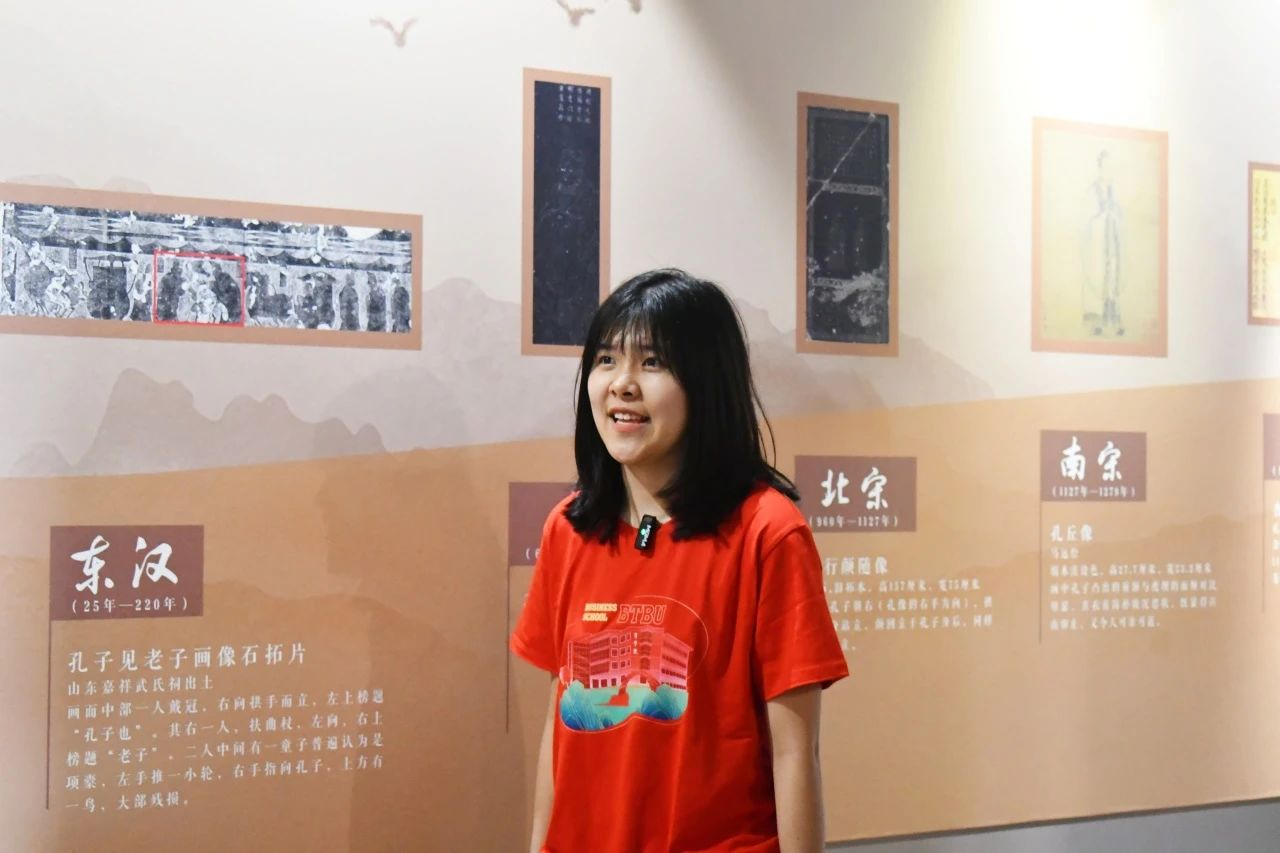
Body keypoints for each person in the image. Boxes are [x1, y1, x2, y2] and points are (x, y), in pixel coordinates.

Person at [510, 268, 848, 853]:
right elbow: (560, 721)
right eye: (607, 360)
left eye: (653, 362)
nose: (622, 384)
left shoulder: (767, 532)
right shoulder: (568, 528)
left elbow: (795, 754)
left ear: (706, 382)